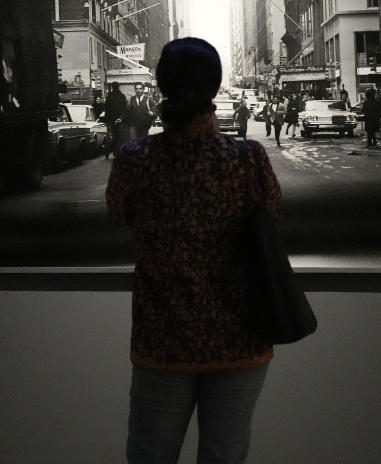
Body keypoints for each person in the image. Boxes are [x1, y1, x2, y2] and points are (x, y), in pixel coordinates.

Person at [107, 37, 283, 464]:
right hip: (239, 339)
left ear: (162, 87)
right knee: (225, 456)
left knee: (150, 455)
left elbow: (120, 216)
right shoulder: (248, 159)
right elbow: (272, 215)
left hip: (162, 338)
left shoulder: (134, 159)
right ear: (216, 88)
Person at [103, 82, 128, 158]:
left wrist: (107, 119)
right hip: (119, 120)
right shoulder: (122, 96)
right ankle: (117, 151)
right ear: (118, 87)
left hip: (110, 119)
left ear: (112, 87)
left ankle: (109, 151)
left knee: (111, 136)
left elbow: (106, 108)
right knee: (119, 136)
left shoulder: (109, 96)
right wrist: (122, 118)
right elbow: (125, 109)